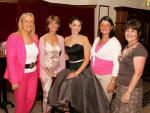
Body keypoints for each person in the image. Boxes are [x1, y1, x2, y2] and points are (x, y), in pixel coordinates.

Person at [48, 16, 109, 113]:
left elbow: (86, 60)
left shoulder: (84, 38)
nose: (76, 28)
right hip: (70, 69)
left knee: (81, 102)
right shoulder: (65, 39)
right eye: (74, 25)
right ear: (70, 25)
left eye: (79, 26)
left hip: (82, 72)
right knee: (68, 100)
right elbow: (67, 57)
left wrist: (76, 73)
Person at [4, 12, 40, 113]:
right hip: (20, 75)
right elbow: (10, 61)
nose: (29, 24)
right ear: (21, 22)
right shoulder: (13, 38)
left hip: (33, 73)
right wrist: (14, 80)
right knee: (20, 104)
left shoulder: (35, 37)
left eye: (31, 22)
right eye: (26, 21)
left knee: (31, 99)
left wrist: (39, 73)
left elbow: (38, 57)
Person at [112, 19, 148, 113]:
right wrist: (116, 83)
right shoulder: (127, 47)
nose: (129, 33)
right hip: (121, 86)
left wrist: (128, 93)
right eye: (127, 30)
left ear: (138, 33)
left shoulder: (140, 49)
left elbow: (138, 73)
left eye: (133, 31)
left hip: (131, 89)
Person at [90, 16, 122, 103]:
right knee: (94, 100)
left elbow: (117, 63)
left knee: (104, 102)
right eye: (102, 25)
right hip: (94, 75)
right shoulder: (97, 39)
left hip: (107, 77)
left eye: (107, 25)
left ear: (111, 27)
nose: (104, 27)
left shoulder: (115, 42)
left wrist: (112, 82)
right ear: (99, 27)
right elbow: (92, 55)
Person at [39, 15, 66, 113]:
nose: (53, 25)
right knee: (47, 97)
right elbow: (41, 58)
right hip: (46, 71)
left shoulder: (61, 38)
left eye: (56, 23)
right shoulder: (42, 39)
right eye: (51, 23)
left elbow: (62, 57)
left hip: (58, 71)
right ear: (48, 25)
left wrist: (62, 72)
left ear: (58, 25)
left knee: (56, 96)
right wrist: (48, 72)